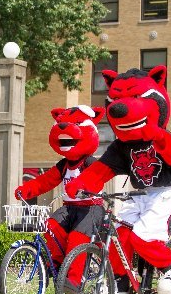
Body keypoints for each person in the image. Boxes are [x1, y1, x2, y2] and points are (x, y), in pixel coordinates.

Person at [66, 66, 171, 294]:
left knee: (144, 238)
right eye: (118, 99)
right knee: (118, 235)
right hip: (137, 194)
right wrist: (80, 185)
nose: (121, 107)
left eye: (133, 97)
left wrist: (159, 137)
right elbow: (101, 170)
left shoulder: (161, 136)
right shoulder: (121, 147)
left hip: (165, 194)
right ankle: (121, 281)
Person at [15, 105, 105, 284]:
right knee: (50, 226)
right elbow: (45, 180)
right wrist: (26, 190)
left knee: (77, 239)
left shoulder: (89, 162)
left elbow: (98, 178)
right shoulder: (64, 165)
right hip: (69, 208)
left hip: (91, 209)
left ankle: (74, 280)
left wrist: (81, 186)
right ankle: (56, 263)